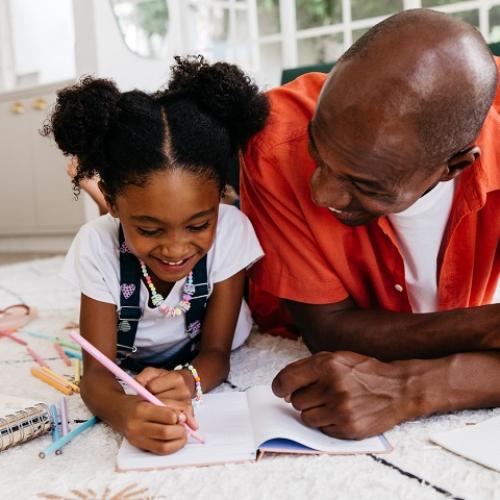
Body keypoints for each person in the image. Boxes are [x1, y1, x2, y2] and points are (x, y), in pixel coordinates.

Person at [241, 9, 500, 440]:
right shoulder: (273, 141)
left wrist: (410, 389)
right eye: (317, 149)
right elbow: (327, 329)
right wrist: (488, 327)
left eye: (365, 184)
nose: (321, 193)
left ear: (454, 166)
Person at [45, 56, 269, 454]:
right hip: (125, 314)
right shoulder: (95, 245)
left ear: (221, 196)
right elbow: (96, 372)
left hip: (208, 343)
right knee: (116, 248)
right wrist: (124, 412)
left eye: (199, 225)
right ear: (114, 202)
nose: (176, 249)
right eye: (150, 229)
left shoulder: (232, 229)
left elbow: (216, 353)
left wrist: (189, 380)